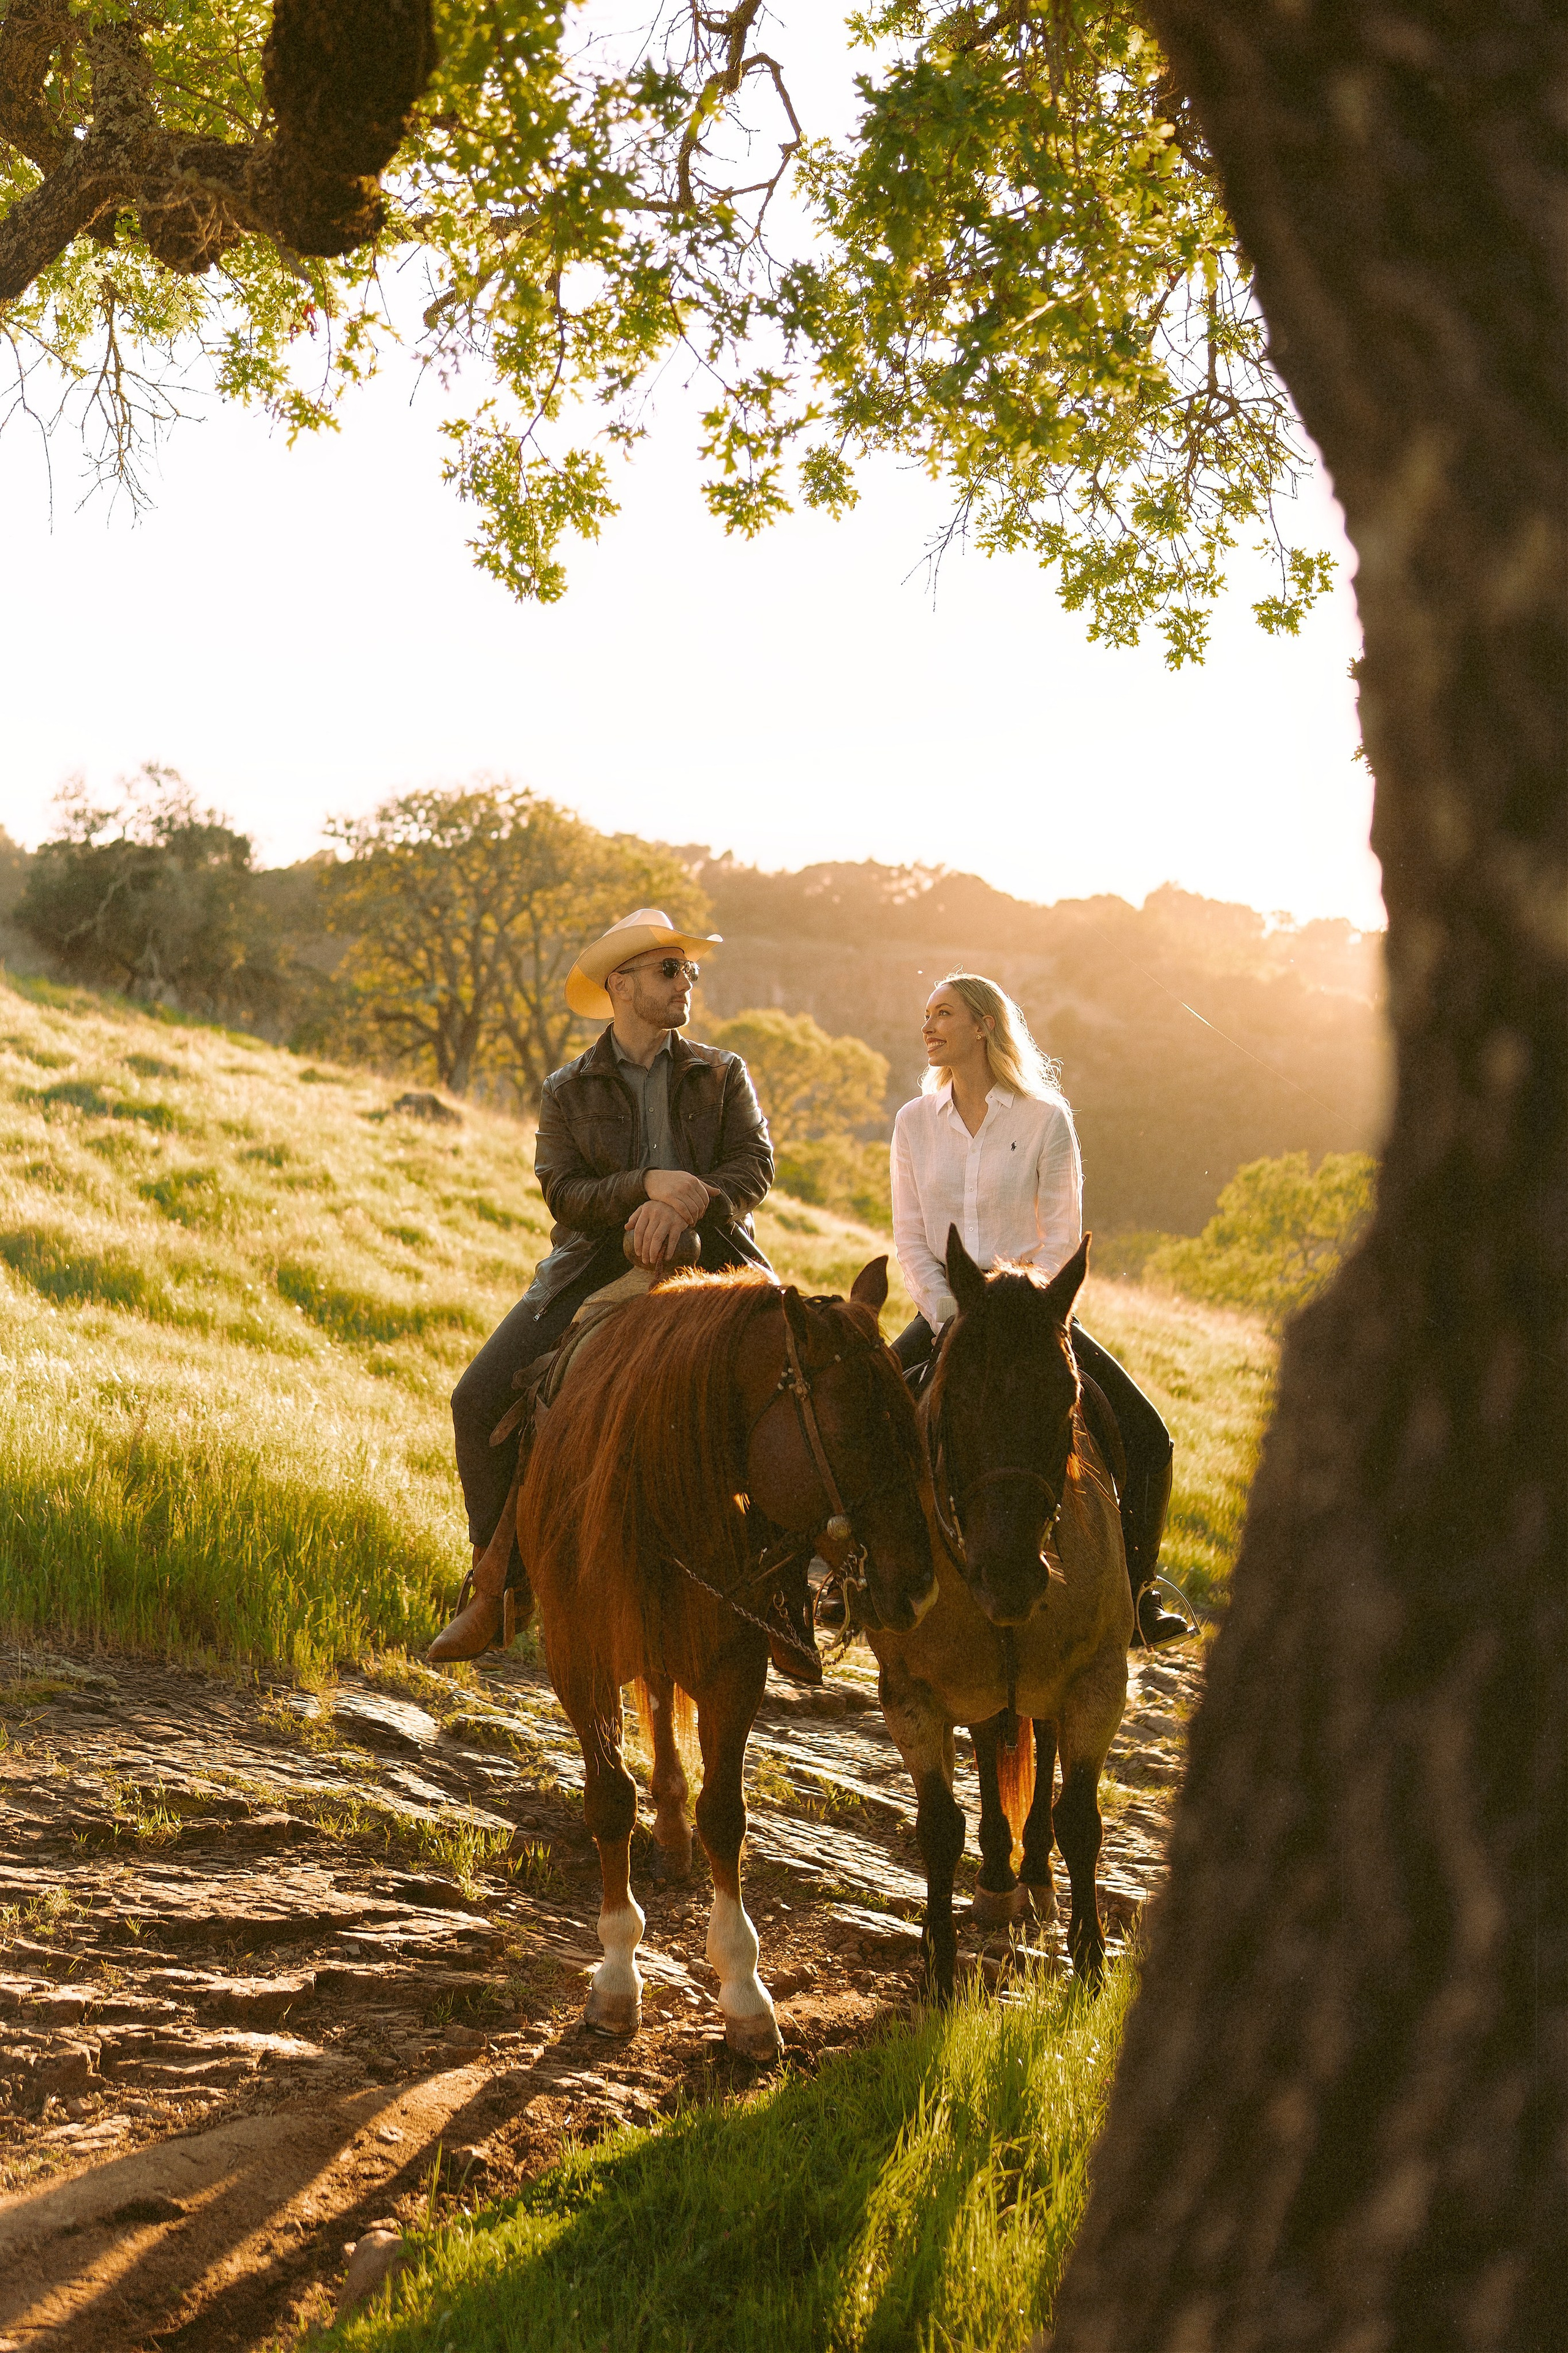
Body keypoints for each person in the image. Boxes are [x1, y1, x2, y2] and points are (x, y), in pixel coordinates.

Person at [429, 907, 776, 1663]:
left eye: (688, 969)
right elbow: (563, 1192)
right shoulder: (567, 1088)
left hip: (714, 1256)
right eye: (668, 969)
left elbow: (754, 1166)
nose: (685, 980)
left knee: (802, 1389)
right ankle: (504, 1586)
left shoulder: (723, 1072)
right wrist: (643, 1187)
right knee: (476, 1398)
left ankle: (785, 1601)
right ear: (621, 985)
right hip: (590, 1265)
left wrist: (686, 1202)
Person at [885, 970, 1187, 1647]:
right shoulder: (912, 1122)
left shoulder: (1046, 1118)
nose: (928, 1027)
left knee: (1147, 1438)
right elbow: (910, 1238)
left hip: (1032, 1320)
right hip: (946, 1312)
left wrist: (1026, 1319)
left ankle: (1134, 1605)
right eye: (927, 1015)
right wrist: (949, 1314)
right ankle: (854, 1587)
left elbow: (1060, 1235)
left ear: (984, 1025)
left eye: (944, 1014)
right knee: (864, 1420)